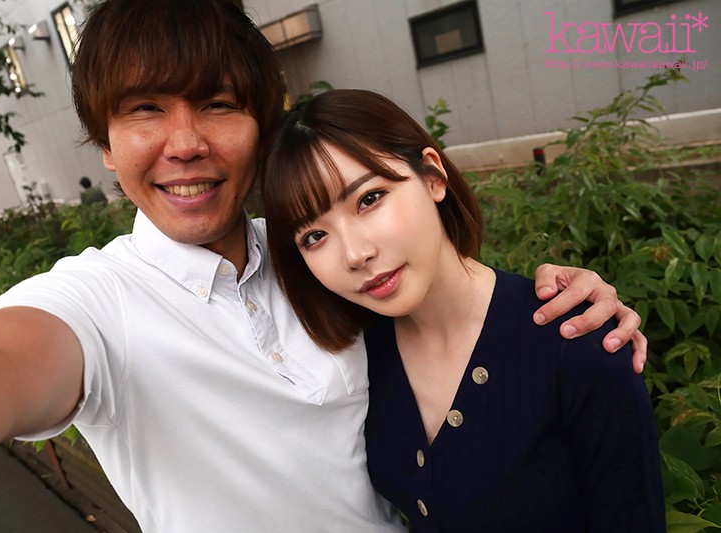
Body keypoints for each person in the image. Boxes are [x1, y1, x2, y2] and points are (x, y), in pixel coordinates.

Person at [0, 1, 646, 531]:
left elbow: (447, 298)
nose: (185, 143)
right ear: (105, 145)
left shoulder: (316, 254)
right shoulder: (97, 303)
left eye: (217, 103)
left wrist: (562, 302)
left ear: (262, 131)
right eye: (144, 109)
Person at [262, 89, 665, 532]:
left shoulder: (577, 342)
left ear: (433, 177)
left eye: (369, 199)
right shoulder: (357, 359)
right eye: (314, 236)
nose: (355, 254)